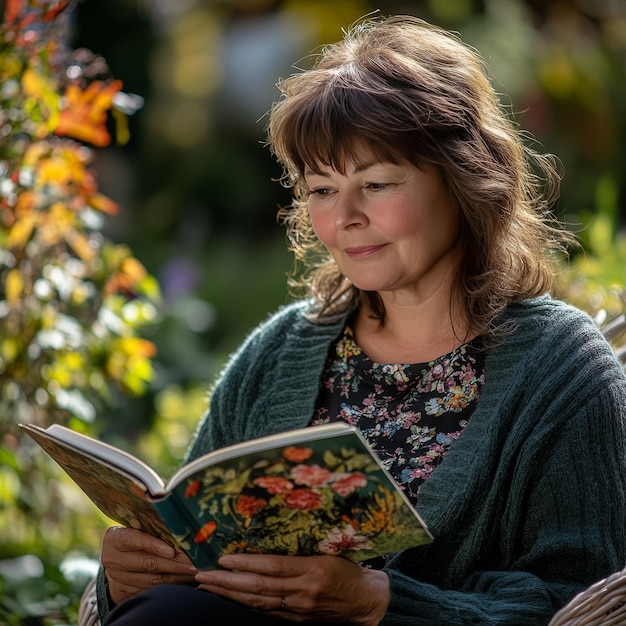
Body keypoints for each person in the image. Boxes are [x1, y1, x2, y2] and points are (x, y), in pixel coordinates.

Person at [85, 14, 626, 626]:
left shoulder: (562, 369)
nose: (344, 216)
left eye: (375, 183)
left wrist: (381, 603)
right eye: (320, 190)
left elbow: (582, 603)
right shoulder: (279, 351)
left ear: (465, 181)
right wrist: (126, 574)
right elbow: (190, 535)